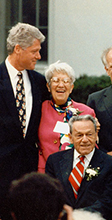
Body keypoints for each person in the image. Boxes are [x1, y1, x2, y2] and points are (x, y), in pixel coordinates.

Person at [0, 22, 49, 219]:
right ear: (18, 49)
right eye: (34, 51)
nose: (38, 56)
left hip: (30, 174)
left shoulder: (38, 82)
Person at [46, 115, 112, 220]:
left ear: (96, 135)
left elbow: (107, 201)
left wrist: (77, 217)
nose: (85, 140)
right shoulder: (54, 161)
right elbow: (51, 197)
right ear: (71, 138)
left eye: (89, 134)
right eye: (79, 135)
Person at [37, 61, 96, 173]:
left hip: (77, 172)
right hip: (46, 172)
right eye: (55, 81)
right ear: (48, 87)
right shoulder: (40, 109)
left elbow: (93, 146)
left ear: (71, 87)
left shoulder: (86, 112)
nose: (61, 85)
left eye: (65, 81)